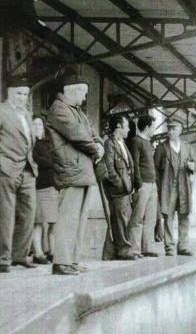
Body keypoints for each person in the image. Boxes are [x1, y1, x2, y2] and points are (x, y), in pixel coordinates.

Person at [47, 73, 104, 275]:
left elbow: (91, 132)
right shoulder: (59, 108)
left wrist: (99, 143)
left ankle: (72, 260)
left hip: (81, 169)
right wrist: (96, 148)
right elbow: (78, 134)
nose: (85, 97)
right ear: (72, 90)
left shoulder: (75, 110)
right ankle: (61, 261)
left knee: (79, 219)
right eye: (83, 92)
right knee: (68, 218)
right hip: (71, 169)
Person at [0, 77, 38, 273]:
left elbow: (29, 143)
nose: (22, 98)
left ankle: (19, 255)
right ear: (9, 93)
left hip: (28, 170)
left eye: (25, 94)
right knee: (6, 214)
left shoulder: (28, 115)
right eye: (19, 94)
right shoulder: (1, 111)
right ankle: (3, 259)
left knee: (29, 213)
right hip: (6, 169)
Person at [154, 118, 195, 256]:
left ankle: (183, 246)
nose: (170, 131)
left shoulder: (187, 147)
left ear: (180, 130)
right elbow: (156, 170)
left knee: (184, 216)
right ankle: (169, 247)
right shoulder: (161, 148)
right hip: (168, 188)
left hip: (184, 187)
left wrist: (192, 167)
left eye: (174, 129)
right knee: (168, 217)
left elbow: (193, 163)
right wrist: (160, 188)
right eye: (169, 129)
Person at [102, 115, 136, 260]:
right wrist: (120, 185)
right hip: (118, 190)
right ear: (118, 127)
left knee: (121, 219)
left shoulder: (122, 143)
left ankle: (115, 251)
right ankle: (123, 250)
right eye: (126, 126)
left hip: (125, 189)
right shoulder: (110, 144)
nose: (128, 129)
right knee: (120, 220)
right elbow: (109, 168)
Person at [129, 115, 160, 257]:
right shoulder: (136, 141)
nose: (154, 129)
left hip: (152, 185)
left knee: (151, 218)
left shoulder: (148, 143)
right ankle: (135, 250)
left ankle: (148, 248)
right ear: (147, 127)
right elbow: (134, 164)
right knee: (138, 218)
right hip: (143, 186)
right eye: (153, 126)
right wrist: (138, 185)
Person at [32, 115, 59, 264]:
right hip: (39, 187)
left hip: (53, 185)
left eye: (39, 125)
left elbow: (56, 158)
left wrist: (52, 162)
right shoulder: (31, 144)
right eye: (34, 124)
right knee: (39, 222)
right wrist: (52, 162)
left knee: (53, 222)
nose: (37, 127)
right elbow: (42, 161)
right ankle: (38, 253)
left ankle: (51, 251)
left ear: (43, 127)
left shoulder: (48, 142)